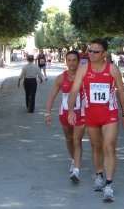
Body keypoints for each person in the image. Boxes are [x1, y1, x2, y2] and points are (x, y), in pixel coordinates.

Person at [67, 38, 124, 202]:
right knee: (96, 146)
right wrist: (71, 110)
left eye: (95, 51)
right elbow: (74, 91)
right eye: (90, 50)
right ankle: (99, 175)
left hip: (110, 114)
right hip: (91, 115)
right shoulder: (83, 69)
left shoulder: (113, 69)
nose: (91, 53)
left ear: (104, 53)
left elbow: (121, 93)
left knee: (109, 147)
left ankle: (109, 184)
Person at [45, 50, 86, 182]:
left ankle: (76, 171)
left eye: (74, 60)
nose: (71, 63)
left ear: (78, 61)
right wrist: (47, 113)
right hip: (65, 114)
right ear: (66, 61)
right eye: (69, 60)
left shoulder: (84, 77)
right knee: (69, 139)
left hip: (80, 114)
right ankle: (74, 160)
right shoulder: (61, 78)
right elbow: (52, 96)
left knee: (76, 140)